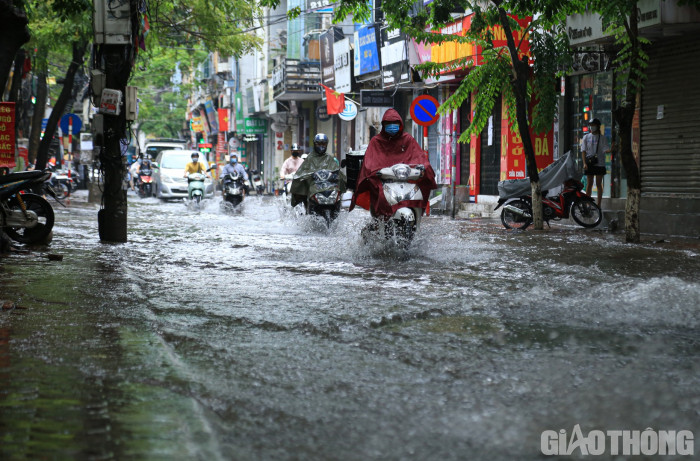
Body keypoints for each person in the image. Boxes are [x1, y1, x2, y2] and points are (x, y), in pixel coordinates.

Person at [349, 108, 436, 216]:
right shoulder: (376, 141)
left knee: (421, 187)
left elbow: (418, 156)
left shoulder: (407, 139)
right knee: (378, 192)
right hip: (383, 181)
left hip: (406, 180)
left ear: (400, 124)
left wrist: (424, 168)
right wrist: (374, 172)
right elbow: (369, 162)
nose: (392, 126)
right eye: (389, 123)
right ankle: (380, 220)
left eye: (395, 123)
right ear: (384, 125)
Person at [290, 133, 346, 207]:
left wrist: (336, 176)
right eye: (319, 144)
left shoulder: (329, 158)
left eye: (323, 144)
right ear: (315, 144)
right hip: (314, 188)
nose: (321, 146)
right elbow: (300, 175)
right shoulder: (310, 158)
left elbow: (338, 174)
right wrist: (312, 175)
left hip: (330, 187)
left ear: (327, 144)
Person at [580, 118, 610, 207]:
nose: (591, 127)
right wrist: (584, 163)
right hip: (589, 163)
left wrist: (611, 149)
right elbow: (583, 151)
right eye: (590, 125)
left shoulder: (602, 138)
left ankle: (599, 204)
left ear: (597, 126)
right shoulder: (586, 137)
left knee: (598, 183)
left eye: (593, 125)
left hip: (600, 163)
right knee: (589, 184)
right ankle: (587, 203)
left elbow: (606, 150)